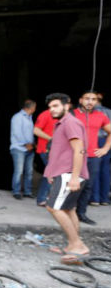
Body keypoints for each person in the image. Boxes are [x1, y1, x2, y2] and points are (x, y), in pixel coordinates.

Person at [43, 93, 90, 262]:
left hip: (69, 174)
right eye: (50, 107)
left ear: (66, 105)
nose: (52, 110)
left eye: (55, 106)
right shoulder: (62, 124)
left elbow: (79, 150)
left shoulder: (71, 123)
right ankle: (73, 245)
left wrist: (75, 177)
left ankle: (77, 245)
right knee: (69, 209)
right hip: (63, 173)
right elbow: (60, 152)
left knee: (53, 207)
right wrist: (50, 173)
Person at [73, 91, 111, 225]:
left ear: (96, 101)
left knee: (88, 186)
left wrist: (105, 148)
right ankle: (66, 213)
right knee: (70, 184)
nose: (90, 101)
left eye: (93, 99)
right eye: (87, 98)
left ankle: (81, 213)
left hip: (93, 156)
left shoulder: (101, 115)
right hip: (74, 155)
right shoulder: (71, 114)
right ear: (80, 100)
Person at [10, 99, 36, 199]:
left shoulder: (29, 117)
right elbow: (17, 133)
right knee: (19, 171)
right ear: (32, 108)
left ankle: (27, 192)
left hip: (30, 148)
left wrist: (32, 144)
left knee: (29, 171)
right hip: (19, 148)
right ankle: (16, 191)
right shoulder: (18, 117)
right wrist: (26, 144)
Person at [34, 106, 58, 206]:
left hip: (56, 150)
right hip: (46, 149)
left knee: (49, 174)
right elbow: (36, 131)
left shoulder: (62, 116)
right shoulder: (46, 114)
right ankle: (43, 198)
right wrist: (52, 139)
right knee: (51, 174)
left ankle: (43, 197)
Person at [91, 92, 111, 206]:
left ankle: (95, 198)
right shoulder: (109, 111)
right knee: (105, 169)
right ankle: (104, 199)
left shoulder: (91, 112)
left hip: (94, 140)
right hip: (107, 140)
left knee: (94, 169)